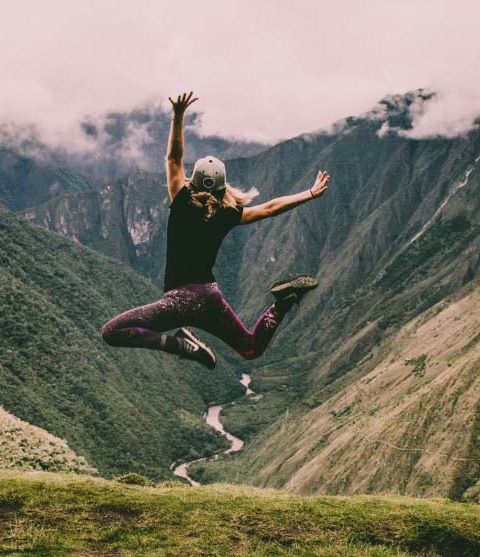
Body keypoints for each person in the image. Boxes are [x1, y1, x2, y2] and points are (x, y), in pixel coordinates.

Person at [102, 91, 330, 369]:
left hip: (179, 302)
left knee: (112, 332)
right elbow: (270, 208)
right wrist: (308, 193)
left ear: (192, 182)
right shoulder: (227, 214)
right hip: (211, 299)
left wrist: (178, 115)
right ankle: (282, 303)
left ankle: (180, 345)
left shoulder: (182, 201)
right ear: (224, 187)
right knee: (250, 348)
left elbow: (174, 159)